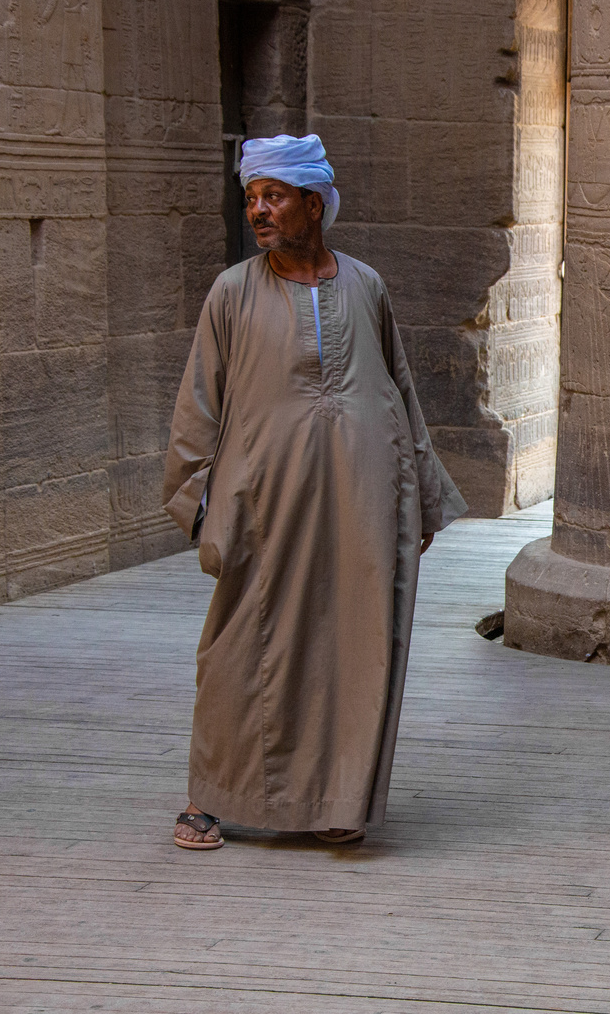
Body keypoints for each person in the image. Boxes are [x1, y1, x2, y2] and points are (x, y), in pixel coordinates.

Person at [164, 134, 466, 851]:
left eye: (272, 196)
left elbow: (400, 390)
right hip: (263, 504)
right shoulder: (232, 292)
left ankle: (338, 800)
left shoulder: (365, 284)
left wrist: (421, 492)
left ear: (313, 201)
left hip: (361, 501)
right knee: (240, 645)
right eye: (252, 199)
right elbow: (197, 403)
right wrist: (198, 499)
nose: (259, 212)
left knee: (354, 646)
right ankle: (210, 797)